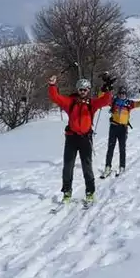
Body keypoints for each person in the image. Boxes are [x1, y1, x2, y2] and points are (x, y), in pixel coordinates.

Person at [48, 73, 114, 204]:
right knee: (68, 166)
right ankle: (67, 192)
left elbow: (106, 101)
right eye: (80, 89)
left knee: (87, 166)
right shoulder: (70, 102)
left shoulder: (92, 103)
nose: (83, 91)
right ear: (77, 90)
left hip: (85, 139)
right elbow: (55, 97)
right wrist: (52, 85)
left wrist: (108, 88)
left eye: (85, 89)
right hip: (71, 138)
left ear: (88, 90)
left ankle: (90, 192)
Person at [103, 85, 140, 177]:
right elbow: (103, 99)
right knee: (110, 148)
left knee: (122, 148)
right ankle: (107, 167)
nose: (122, 95)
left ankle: (122, 167)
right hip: (113, 127)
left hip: (123, 128)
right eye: (120, 93)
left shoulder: (129, 103)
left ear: (126, 94)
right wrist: (104, 90)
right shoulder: (114, 101)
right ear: (118, 94)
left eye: (124, 93)